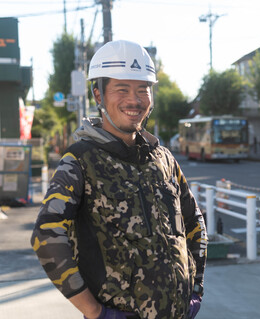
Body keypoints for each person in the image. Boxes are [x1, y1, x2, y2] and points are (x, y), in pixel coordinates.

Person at [31, 40, 208, 319]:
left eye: (142, 89)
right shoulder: (80, 160)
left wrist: (195, 290)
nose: (134, 100)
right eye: (121, 89)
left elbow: (195, 223)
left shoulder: (164, 159)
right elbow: (47, 234)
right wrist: (94, 311)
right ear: (98, 95)